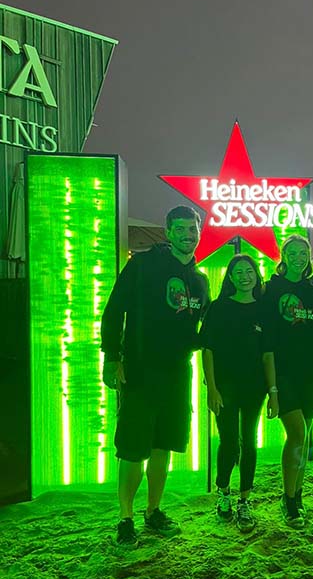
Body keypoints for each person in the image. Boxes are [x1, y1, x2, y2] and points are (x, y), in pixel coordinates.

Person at [101, 205, 210, 545]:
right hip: (140, 371)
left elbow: (201, 330)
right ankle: (125, 518)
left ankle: (153, 511)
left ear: (199, 232)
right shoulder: (143, 265)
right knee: (133, 448)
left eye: (192, 229)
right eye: (180, 228)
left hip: (177, 374)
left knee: (164, 445)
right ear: (168, 231)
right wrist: (111, 358)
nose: (187, 235)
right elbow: (113, 310)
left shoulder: (200, 281)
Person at [199, 254, 278, 532]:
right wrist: (211, 388)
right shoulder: (218, 308)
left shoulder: (263, 310)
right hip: (225, 386)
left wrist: (273, 391)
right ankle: (223, 493)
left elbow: (268, 354)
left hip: (255, 387)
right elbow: (207, 350)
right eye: (239, 272)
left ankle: (244, 500)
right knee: (229, 442)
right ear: (230, 277)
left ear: (256, 275)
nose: (245, 276)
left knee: (249, 442)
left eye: (249, 271)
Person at [262, 235, 313, 527]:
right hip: (283, 371)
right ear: (283, 256)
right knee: (297, 434)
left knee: (306, 435)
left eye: (304, 253)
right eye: (293, 252)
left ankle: (297, 495)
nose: (299, 258)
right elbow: (265, 336)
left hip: (310, 370)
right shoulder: (271, 289)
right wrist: (271, 385)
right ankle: (288, 499)